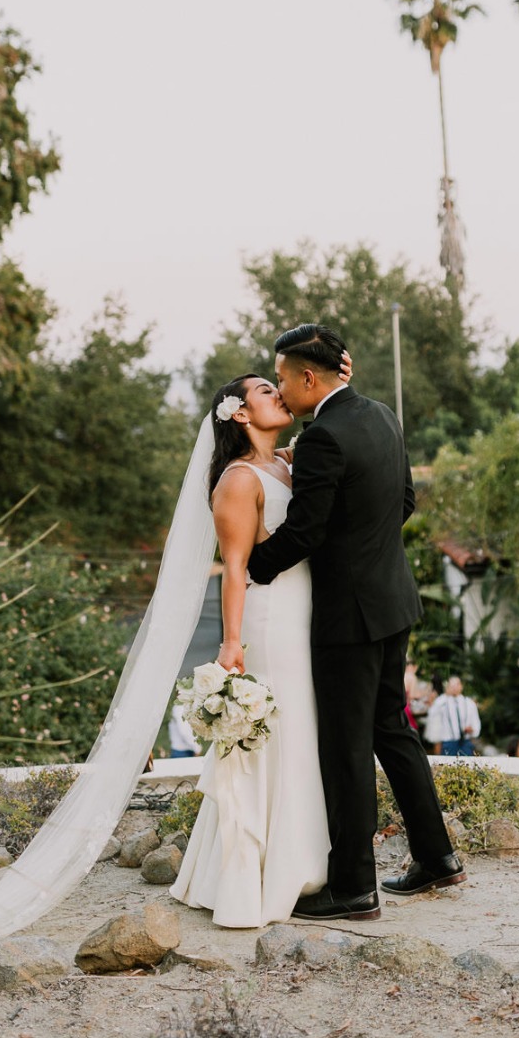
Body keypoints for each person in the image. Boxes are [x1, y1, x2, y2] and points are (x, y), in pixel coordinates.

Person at [245, 324, 461, 921]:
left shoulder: (323, 440)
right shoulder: (383, 416)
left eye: (284, 378)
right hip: (394, 601)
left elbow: (306, 532)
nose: (283, 391)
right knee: (392, 730)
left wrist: (248, 566)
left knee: (345, 747)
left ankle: (354, 887)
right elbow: (405, 502)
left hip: (348, 615)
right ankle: (436, 856)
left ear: (309, 377)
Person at [170, 372, 331, 927]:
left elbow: (325, 419)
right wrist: (232, 643)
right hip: (269, 619)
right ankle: (256, 871)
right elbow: (234, 571)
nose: (279, 394)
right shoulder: (237, 481)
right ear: (239, 413)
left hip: (306, 613)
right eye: (266, 390)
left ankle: (308, 857)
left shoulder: (288, 461)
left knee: (303, 730)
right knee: (274, 735)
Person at [423, 675, 480, 756]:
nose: (454, 688)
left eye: (456, 685)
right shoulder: (443, 701)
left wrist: (473, 730)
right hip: (448, 742)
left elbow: (475, 721)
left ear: (461, 686)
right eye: (451, 686)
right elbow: (432, 713)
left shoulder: (468, 703)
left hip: (465, 742)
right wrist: (445, 695)